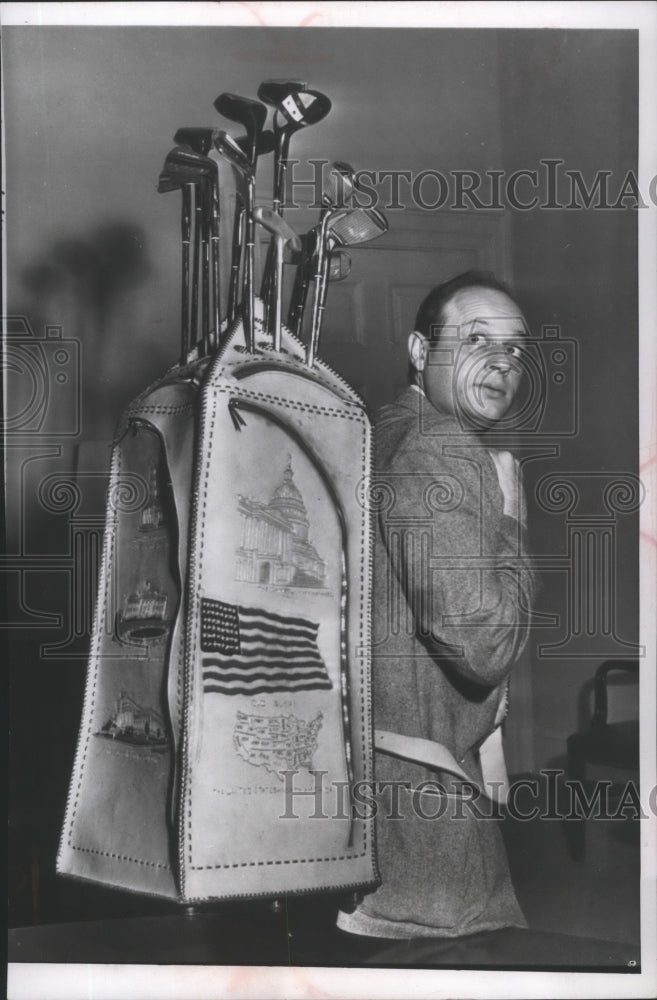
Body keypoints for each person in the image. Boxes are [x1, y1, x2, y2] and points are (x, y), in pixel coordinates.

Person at [338, 271, 538, 939]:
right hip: (425, 833)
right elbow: (480, 646)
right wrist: (510, 518)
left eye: (513, 349)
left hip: (372, 804)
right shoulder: (439, 446)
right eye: (475, 338)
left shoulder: (381, 430)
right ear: (420, 352)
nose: (499, 363)